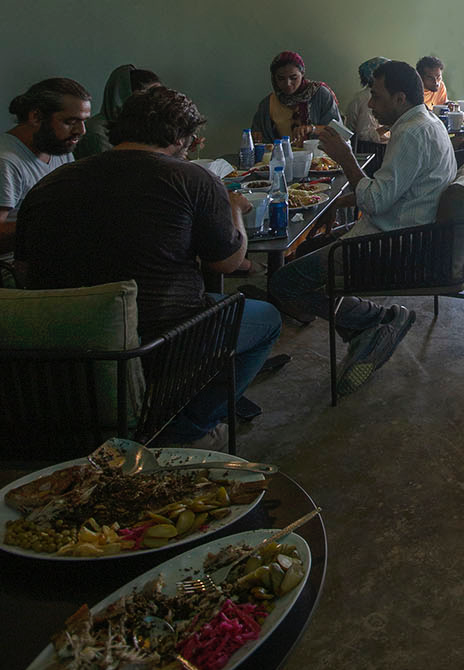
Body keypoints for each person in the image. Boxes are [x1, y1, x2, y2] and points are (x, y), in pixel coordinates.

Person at [14, 84, 281, 440]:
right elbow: (228, 263)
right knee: (267, 319)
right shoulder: (193, 179)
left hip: (55, 350)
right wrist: (233, 210)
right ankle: (182, 431)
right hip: (162, 342)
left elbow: (24, 273)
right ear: (181, 138)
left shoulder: (51, 183)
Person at [272, 60, 457, 394]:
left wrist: (346, 157)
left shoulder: (411, 133)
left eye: (376, 95)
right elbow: (395, 193)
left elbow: (374, 202)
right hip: (406, 230)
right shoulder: (426, 120)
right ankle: (368, 330)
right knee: (311, 252)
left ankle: (376, 321)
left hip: (391, 245)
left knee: (285, 282)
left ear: (400, 98)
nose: (370, 104)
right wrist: (336, 202)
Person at [0, 77, 91, 244]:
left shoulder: (59, 147)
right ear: (36, 116)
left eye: (84, 121)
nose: (81, 131)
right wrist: (53, 223)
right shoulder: (6, 162)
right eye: (70, 121)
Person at [250, 51, 341, 143]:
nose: (288, 84)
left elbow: (338, 132)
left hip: (318, 155)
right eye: (281, 78)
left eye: (293, 78)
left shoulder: (320, 94)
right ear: (274, 78)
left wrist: (311, 128)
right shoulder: (268, 104)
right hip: (283, 156)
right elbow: (257, 136)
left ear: (302, 74)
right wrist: (257, 138)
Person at [75, 64, 160, 158]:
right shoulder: (97, 132)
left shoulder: (140, 128)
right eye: (149, 97)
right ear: (125, 96)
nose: (156, 103)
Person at [345, 56, 388, 143]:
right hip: (363, 149)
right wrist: (389, 126)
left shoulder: (370, 96)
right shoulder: (367, 98)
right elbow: (365, 136)